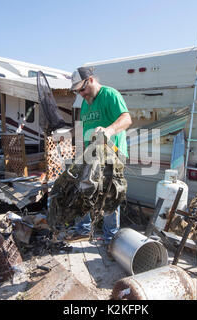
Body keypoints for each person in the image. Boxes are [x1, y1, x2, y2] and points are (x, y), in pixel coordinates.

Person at [67, 66, 132, 250]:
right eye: (77, 91)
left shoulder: (109, 94)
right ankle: (83, 229)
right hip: (91, 155)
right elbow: (82, 128)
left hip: (113, 153)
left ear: (91, 80)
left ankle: (111, 237)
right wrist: (67, 133)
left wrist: (109, 130)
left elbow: (126, 119)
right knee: (83, 189)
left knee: (110, 194)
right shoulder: (85, 103)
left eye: (82, 89)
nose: (81, 94)